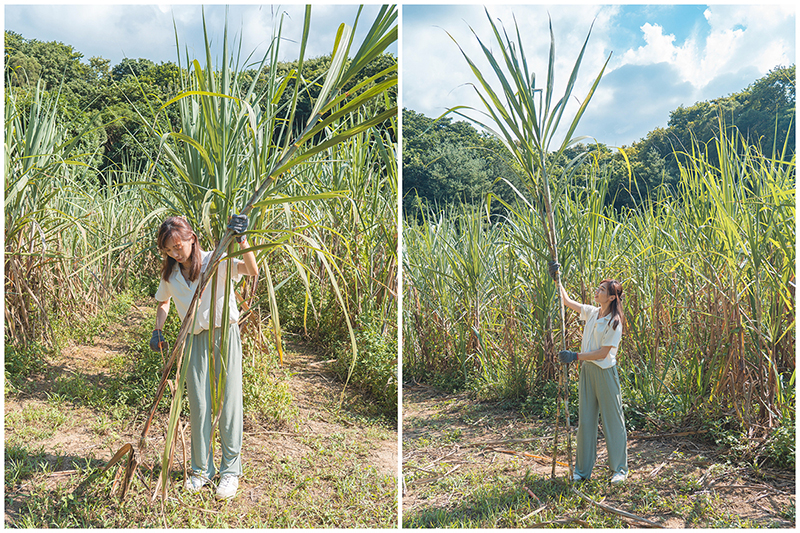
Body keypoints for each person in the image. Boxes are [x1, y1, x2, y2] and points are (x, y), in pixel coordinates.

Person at [149, 215, 258, 500]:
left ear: (192, 238)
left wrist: (241, 239)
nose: (175, 252)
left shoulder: (215, 259)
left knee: (229, 402)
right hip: (193, 338)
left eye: (178, 245)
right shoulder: (171, 276)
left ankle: (230, 471)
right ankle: (201, 469)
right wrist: (157, 328)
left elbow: (250, 269)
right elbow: (163, 301)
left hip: (225, 335)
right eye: (168, 249)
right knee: (199, 404)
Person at [549, 261, 627, 484]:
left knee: (613, 421)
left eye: (602, 290)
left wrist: (575, 356)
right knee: (586, 421)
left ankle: (619, 470)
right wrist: (558, 280)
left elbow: (603, 353)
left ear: (612, 297)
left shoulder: (614, 322)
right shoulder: (592, 313)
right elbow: (565, 301)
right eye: (599, 288)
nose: (598, 291)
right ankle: (582, 471)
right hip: (587, 373)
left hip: (604, 373)